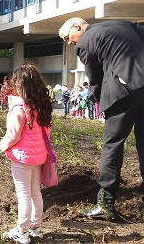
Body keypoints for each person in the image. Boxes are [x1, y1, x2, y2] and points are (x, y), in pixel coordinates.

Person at [59, 18, 144, 220]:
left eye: (67, 38)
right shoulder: (123, 24)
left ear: (77, 27)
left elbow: (95, 79)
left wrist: (101, 104)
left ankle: (105, 203)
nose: (69, 43)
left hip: (122, 90)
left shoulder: (86, 42)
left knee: (112, 145)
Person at [0, 62, 53, 244]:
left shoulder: (20, 108)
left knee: (23, 195)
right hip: (38, 157)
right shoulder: (42, 106)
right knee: (35, 193)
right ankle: (36, 228)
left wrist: (2, 145)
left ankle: (22, 232)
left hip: (22, 158)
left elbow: (13, 136)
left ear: (21, 85)